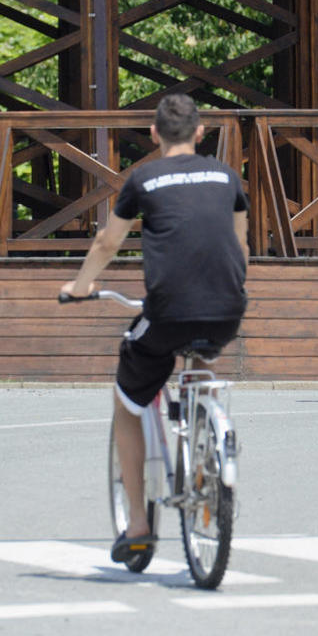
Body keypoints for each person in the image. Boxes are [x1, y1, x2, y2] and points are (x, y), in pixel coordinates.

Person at [60, 94, 249, 561]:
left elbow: (107, 242)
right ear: (201, 133)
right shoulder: (227, 177)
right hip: (227, 307)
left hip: (167, 312)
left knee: (127, 399)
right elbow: (239, 247)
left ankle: (139, 527)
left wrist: (82, 286)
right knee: (200, 363)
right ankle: (204, 442)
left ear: (154, 133)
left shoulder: (143, 178)